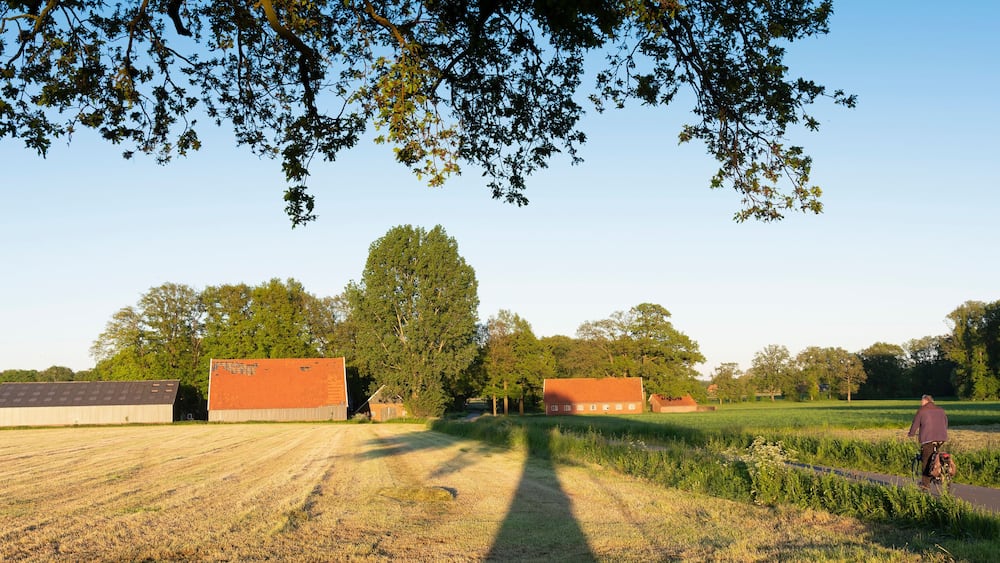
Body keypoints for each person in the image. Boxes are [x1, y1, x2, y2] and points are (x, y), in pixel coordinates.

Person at [907, 394, 948, 489]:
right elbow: (945, 423)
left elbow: (915, 424)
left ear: (925, 401)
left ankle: (925, 484)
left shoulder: (922, 411)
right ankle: (940, 471)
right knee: (936, 454)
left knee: (926, 459)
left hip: (928, 439)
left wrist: (911, 434)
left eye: (921, 402)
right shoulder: (941, 410)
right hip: (941, 438)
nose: (921, 404)